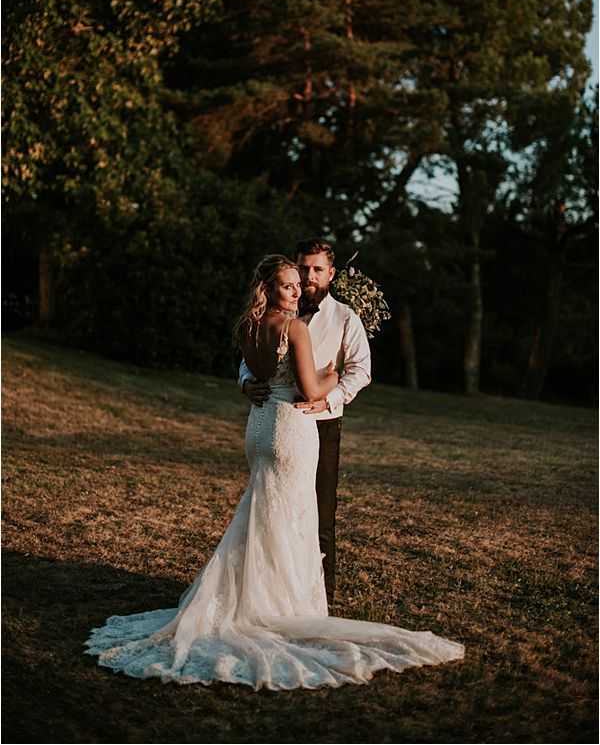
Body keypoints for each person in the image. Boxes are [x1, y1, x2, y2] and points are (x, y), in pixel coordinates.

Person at [85, 255, 463, 690]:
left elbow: (254, 373)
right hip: (290, 429)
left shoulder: (248, 326)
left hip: (259, 426)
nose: (297, 290)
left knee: (262, 511)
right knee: (293, 517)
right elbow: (310, 388)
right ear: (270, 288)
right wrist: (330, 373)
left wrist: (263, 383)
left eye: (298, 284)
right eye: (288, 285)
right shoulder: (294, 328)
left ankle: (250, 598)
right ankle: (282, 607)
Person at [238, 239, 370, 605]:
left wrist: (330, 397)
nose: (308, 278)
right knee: (275, 511)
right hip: (284, 422)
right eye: (303, 269)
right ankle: (275, 598)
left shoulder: (346, 318)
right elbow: (247, 364)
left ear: (331, 273)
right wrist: (245, 382)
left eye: (316, 270)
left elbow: (361, 371)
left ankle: (320, 598)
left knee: (319, 516)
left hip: (322, 422)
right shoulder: (286, 318)